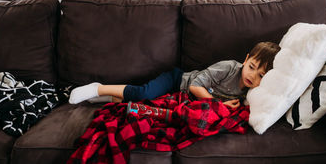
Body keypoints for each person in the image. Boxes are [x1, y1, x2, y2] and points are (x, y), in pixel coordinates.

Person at [69, 42, 281, 109]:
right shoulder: (229, 68)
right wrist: (219, 104)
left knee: (140, 109)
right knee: (144, 93)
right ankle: (97, 88)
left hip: (184, 100)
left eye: (261, 75)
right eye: (251, 67)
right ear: (245, 60)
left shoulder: (252, 91)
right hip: (177, 81)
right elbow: (195, 87)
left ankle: (108, 97)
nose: (253, 76)